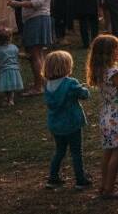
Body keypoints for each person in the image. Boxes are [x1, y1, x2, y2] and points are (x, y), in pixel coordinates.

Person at [86, 34, 118, 199]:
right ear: (109, 52)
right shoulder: (114, 71)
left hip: (106, 115)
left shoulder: (100, 70)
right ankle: (109, 189)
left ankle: (103, 186)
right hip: (117, 116)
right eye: (117, 49)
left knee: (108, 151)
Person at [43, 50, 91, 191]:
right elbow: (84, 95)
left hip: (56, 124)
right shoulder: (70, 83)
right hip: (71, 123)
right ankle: (80, 180)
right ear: (66, 66)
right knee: (76, 152)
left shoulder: (47, 84)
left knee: (60, 151)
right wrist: (83, 88)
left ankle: (53, 177)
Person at [10, 0, 53, 96]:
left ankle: (38, 86)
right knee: (38, 54)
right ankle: (40, 81)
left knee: (34, 54)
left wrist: (17, 4)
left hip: (37, 19)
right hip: (35, 19)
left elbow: (37, 2)